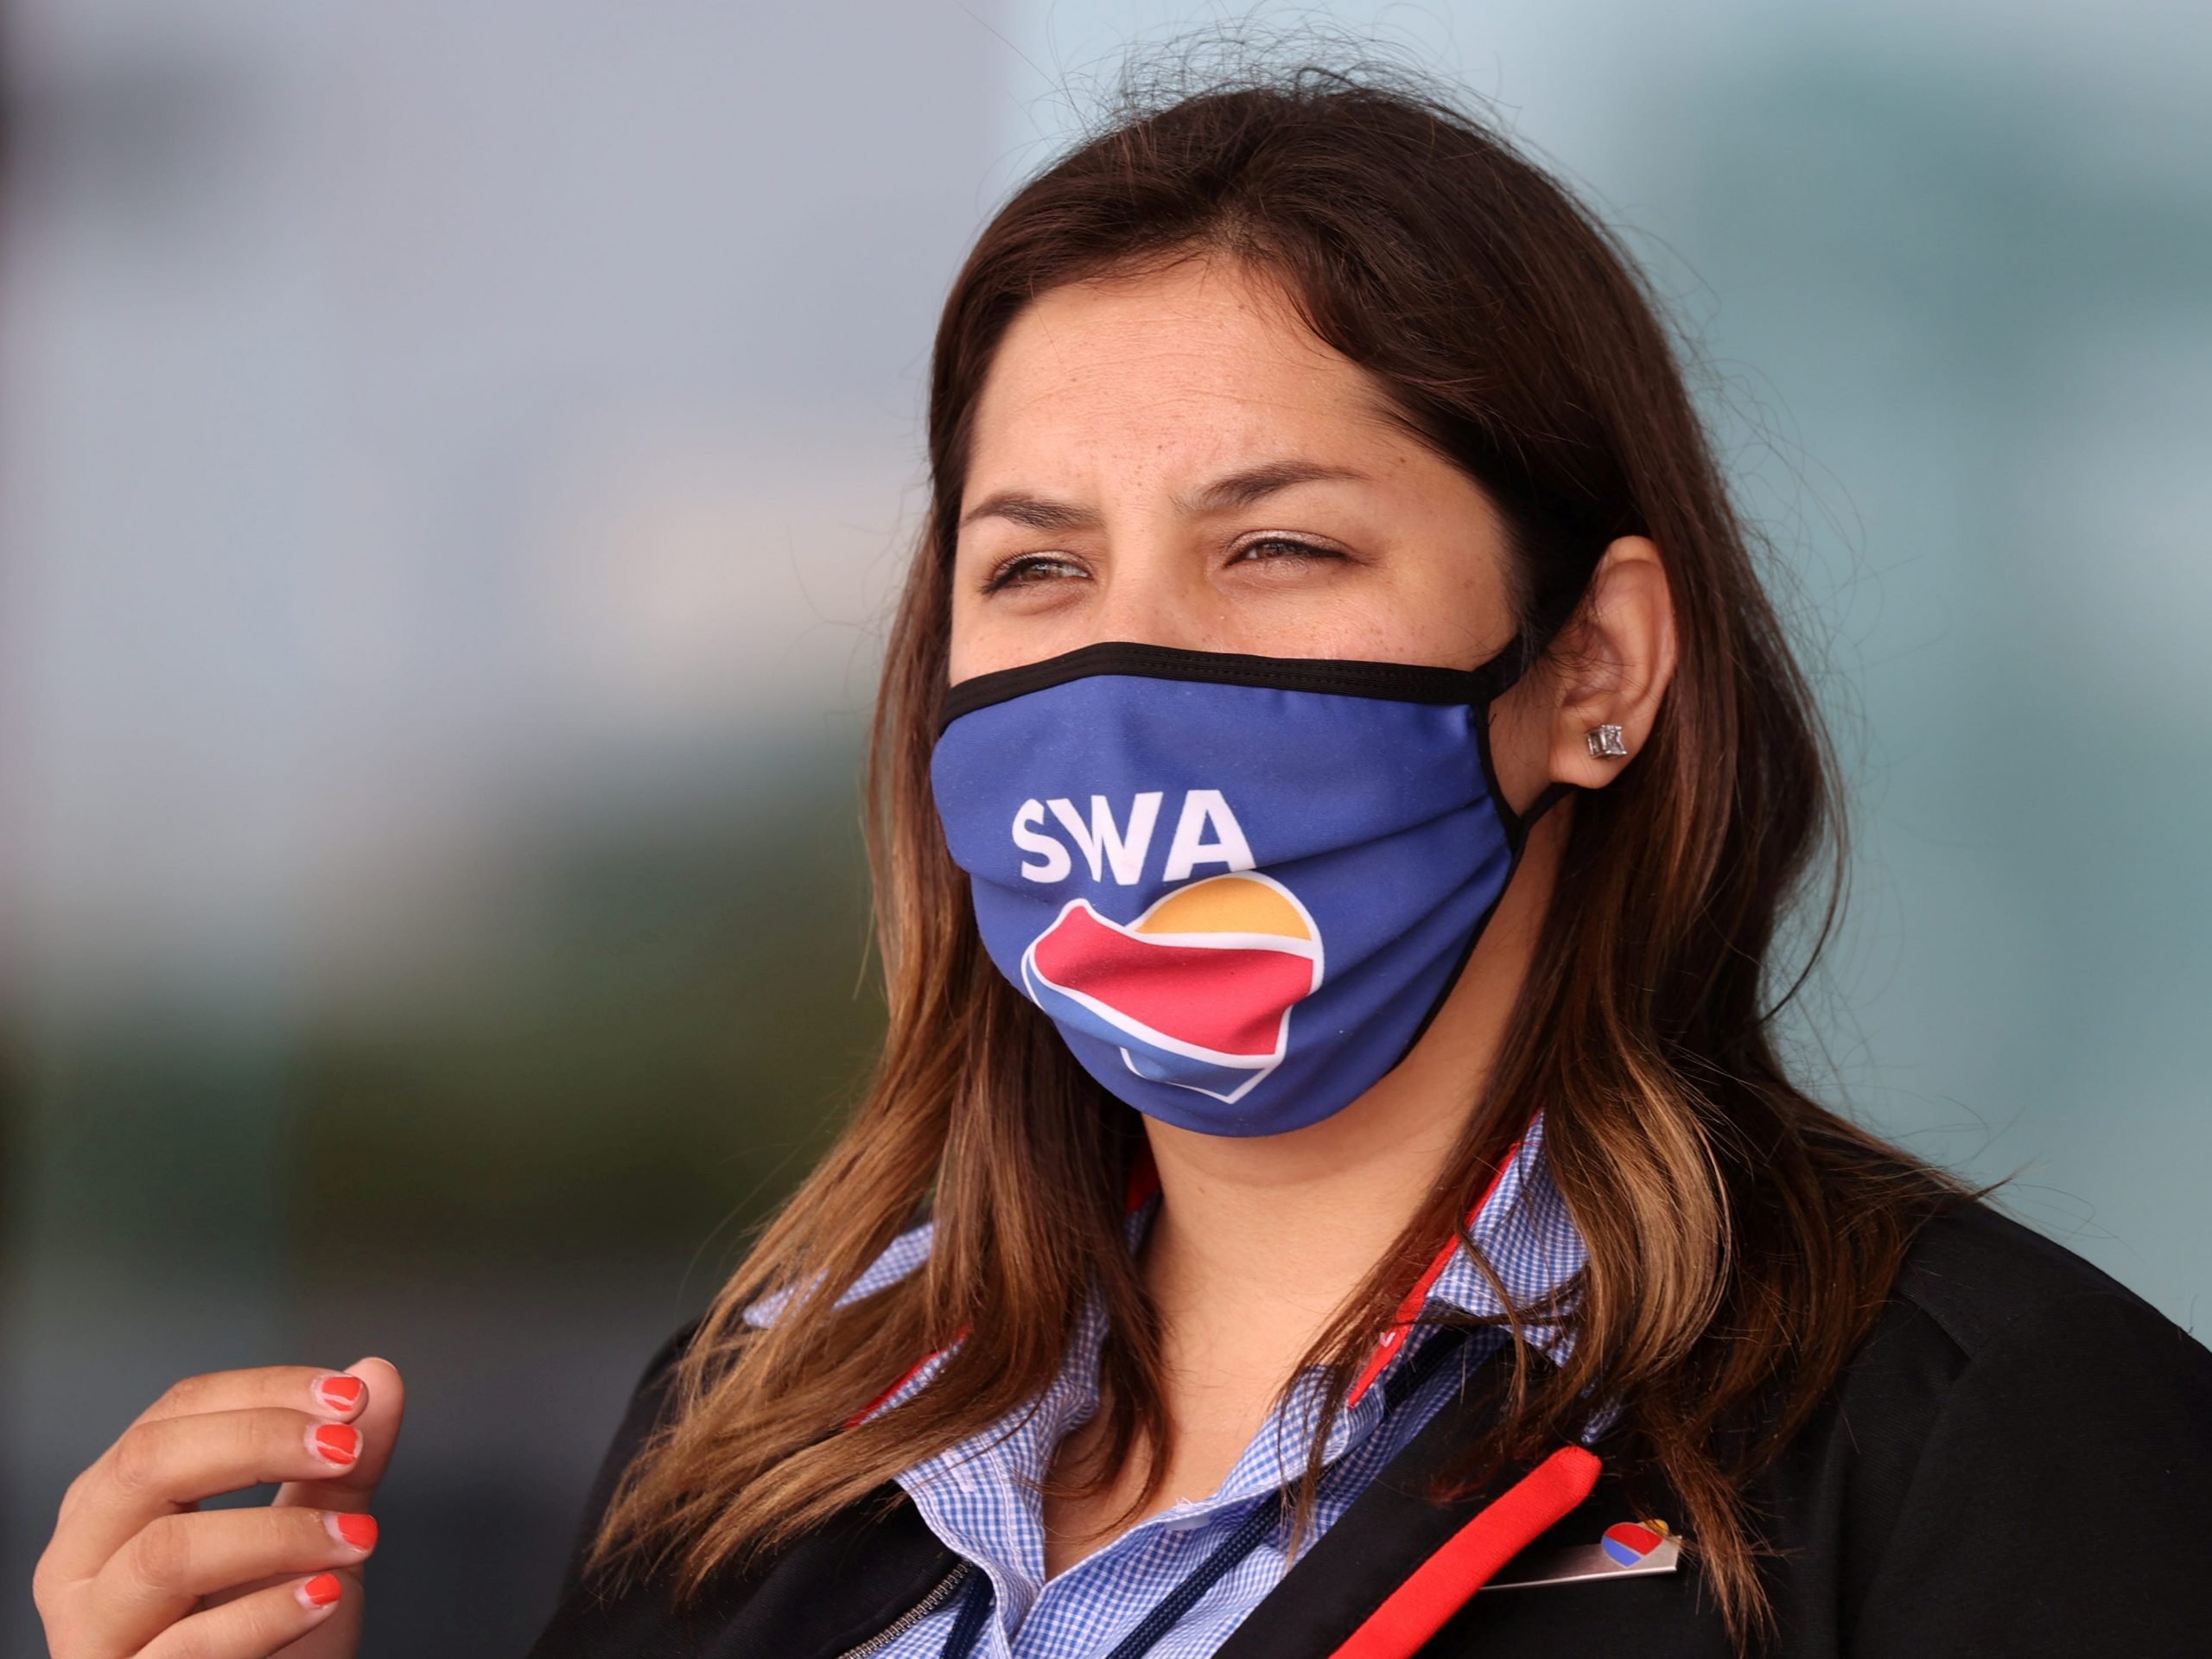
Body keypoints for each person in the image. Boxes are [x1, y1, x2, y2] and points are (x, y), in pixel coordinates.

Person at [34, 61, 2212, 1659]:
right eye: (1036, 569)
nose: (1134, 674)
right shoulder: (757, 1426)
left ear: (1592, 670)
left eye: (1276, 547)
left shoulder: (1981, 1448)